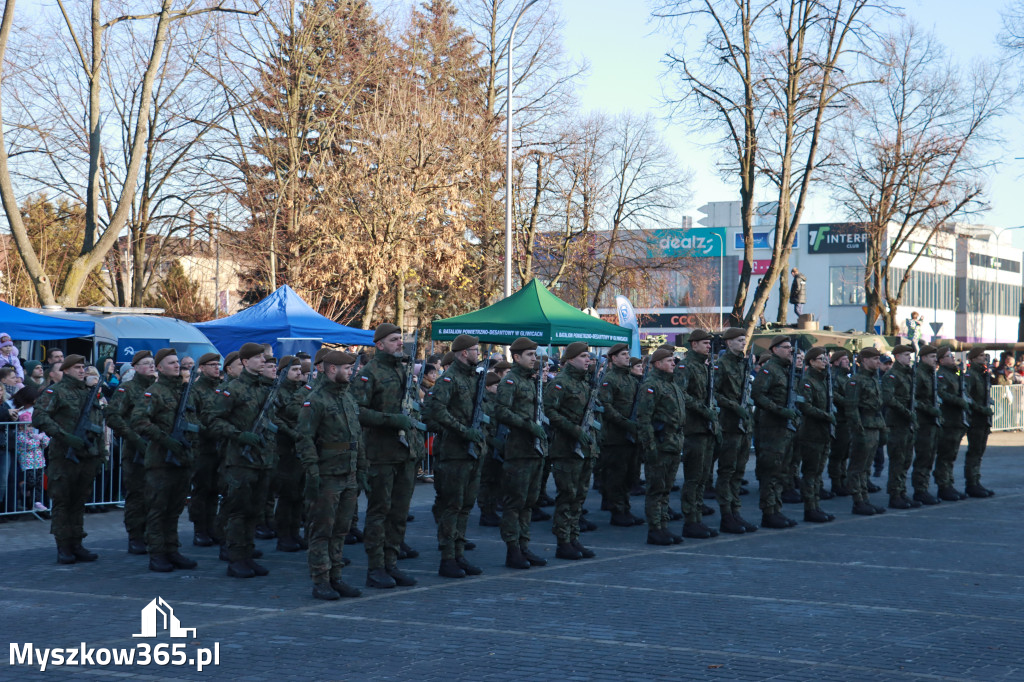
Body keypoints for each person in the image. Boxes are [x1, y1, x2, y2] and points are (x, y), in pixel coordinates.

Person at [351, 324, 424, 588]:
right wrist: (391, 420)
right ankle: (375, 568)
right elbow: (357, 410)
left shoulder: (403, 371)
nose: (399, 344)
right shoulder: (369, 374)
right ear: (379, 344)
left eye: (400, 340)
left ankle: (391, 562)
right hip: (381, 454)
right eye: (394, 340)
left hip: (405, 453)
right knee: (379, 512)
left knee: (399, 513)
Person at [297, 350, 364, 600]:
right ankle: (321, 580)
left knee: (341, 530)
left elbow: (357, 436)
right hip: (327, 475)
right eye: (347, 368)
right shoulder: (315, 400)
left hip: (348, 474)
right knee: (321, 530)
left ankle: (336, 577)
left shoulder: (346, 397)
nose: (351, 371)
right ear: (331, 369)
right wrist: (313, 471)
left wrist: (362, 468)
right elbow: (304, 439)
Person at [208, 342, 275, 579]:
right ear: (245, 362)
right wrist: (239, 435)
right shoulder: (232, 389)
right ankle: (236, 559)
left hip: (262, 459)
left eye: (263, 358)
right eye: (258, 358)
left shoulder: (265, 389)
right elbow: (214, 421)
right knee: (238, 511)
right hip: (239, 460)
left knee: (254, 511)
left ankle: (247, 555)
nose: (263, 362)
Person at [131, 348, 200, 573]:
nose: (176, 365)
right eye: (171, 363)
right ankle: (157, 554)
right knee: (158, 509)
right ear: (159, 368)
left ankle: (172, 550)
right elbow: (139, 421)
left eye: (177, 362)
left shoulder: (183, 392)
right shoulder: (155, 392)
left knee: (174, 509)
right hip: (161, 461)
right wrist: (166, 440)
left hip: (182, 460)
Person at [423, 334, 487, 577]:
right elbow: (435, 411)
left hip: (471, 453)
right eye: (474, 350)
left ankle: (459, 554)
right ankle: (448, 557)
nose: (477, 353)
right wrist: (463, 431)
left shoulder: (472, 378)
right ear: (463, 353)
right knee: (452, 506)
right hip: (453, 453)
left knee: (465, 506)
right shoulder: (449, 379)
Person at [32, 354, 104, 564]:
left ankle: (77, 543)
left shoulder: (88, 392)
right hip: (64, 455)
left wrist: (99, 453)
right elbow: (39, 416)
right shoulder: (57, 391)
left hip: (86, 455)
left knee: (78, 502)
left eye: (83, 367)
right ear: (66, 370)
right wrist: (64, 436)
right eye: (77, 367)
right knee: (63, 502)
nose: (82, 371)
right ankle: (63, 546)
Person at [493, 336, 549, 569]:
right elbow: (501, 411)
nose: (533, 359)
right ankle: (512, 549)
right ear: (516, 357)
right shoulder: (511, 382)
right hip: (518, 450)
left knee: (529, 503)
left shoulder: (531, 381)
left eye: (534, 355)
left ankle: (524, 546)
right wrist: (527, 425)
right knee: (515, 503)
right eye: (529, 355)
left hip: (534, 450)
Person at [542, 342, 598, 561]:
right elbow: (550, 412)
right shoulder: (561, 383)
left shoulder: (584, 383)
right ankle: (563, 542)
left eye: (588, 357)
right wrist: (573, 430)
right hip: (566, 448)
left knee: (579, 498)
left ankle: (574, 538)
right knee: (567, 496)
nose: (588, 360)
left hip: (584, 449)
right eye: (584, 356)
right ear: (571, 358)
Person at [105, 350, 158, 555]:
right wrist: (131, 436)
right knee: (137, 495)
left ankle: (151, 534)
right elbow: (111, 415)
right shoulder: (127, 389)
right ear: (135, 367)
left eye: (153, 363)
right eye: (146, 363)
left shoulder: (158, 388)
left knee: (154, 495)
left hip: (156, 449)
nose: (151, 366)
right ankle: (135, 536)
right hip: (135, 450)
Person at [637, 347, 685, 545]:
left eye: (673, 360)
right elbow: (644, 419)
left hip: (673, 444)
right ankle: (655, 529)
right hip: (659, 445)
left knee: (666, 490)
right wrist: (650, 447)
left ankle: (663, 526)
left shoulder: (672, 384)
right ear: (657, 364)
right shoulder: (651, 385)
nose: (673, 363)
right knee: (656, 490)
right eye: (668, 361)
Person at [712, 329, 757, 534]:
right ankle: (726, 515)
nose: (742, 343)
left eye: (744, 340)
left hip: (744, 426)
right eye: (739, 340)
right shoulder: (722, 364)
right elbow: (715, 393)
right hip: (729, 424)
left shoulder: (743, 363)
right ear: (728, 343)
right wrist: (733, 405)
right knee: (727, 472)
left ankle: (735, 511)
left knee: (738, 472)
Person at [752, 335, 800, 529]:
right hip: (772, 428)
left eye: (791, 347)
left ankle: (776, 510)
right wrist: (779, 410)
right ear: (774, 350)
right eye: (786, 347)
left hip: (785, 428)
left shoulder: (786, 371)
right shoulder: (769, 370)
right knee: (771, 472)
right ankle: (769, 512)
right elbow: (757, 395)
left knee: (781, 472)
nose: (791, 350)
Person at [678, 330, 720, 539]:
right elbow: (681, 395)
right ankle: (690, 521)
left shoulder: (705, 366)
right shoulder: (686, 367)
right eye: (705, 343)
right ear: (693, 345)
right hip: (693, 429)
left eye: (709, 343)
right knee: (693, 478)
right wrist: (703, 410)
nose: (708, 346)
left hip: (706, 428)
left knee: (703, 477)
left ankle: (697, 516)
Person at [597, 343, 644, 527]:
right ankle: (617, 511)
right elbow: (607, 408)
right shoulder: (609, 380)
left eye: (627, 354)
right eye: (623, 354)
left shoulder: (631, 380)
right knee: (616, 475)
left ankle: (625, 508)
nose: (627, 357)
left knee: (628, 475)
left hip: (630, 436)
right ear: (613, 359)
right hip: (615, 437)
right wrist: (627, 424)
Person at [845, 347, 888, 516]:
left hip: (874, 426)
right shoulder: (856, 381)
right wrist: (858, 431)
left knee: (866, 468)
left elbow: (878, 408)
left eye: (879, 358)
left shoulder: (873, 380)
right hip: (863, 427)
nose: (878, 362)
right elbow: (852, 409)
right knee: (857, 467)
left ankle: (865, 499)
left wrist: (882, 428)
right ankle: (858, 501)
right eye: (875, 358)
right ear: (864, 360)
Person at [271, 356, 307, 552]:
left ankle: (294, 533)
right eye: (294, 370)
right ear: (283, 371)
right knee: (287, 494)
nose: (299, 373)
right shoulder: (277, 392)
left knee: (298, 494)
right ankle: (284, 536)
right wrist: (291, 432)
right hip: (285, 448)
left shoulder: (301, 392)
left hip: (299, 447)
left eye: (300, 369)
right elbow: (275, 419)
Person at [796, 347, 836, 523]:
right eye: (821, 359)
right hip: (811, 432)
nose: (825, 361)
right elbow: (805, 406)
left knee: (818, 473)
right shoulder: (807, 381)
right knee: (811, 473)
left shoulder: (824, 380)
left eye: (826, 359)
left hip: (823, 432)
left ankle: (816, 506)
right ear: (811, 362)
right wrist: (826, 416)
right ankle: (810, 508)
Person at [188, 352, 223, 548]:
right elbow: (193, 419)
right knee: (201, 490)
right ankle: (200, 529)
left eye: (218, 365)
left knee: (214, 490)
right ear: (202, 368)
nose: (216, 368)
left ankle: (212, 527)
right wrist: (212, 431)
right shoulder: (195, 390)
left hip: (218, 447)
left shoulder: (219, 389)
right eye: (212, 365)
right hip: (202, 447)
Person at [882, 345, 917, 509]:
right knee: (897, 460)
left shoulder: (908, 375)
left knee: (906, 460)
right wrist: (905, 411)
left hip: (907, 423)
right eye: (905, 354)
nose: (909, 357)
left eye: (909, 354)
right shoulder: (892, 376)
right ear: (897, 356)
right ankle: (894, 495)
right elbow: (888, 398)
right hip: (896, 423)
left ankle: (902, 492)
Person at [934, 348, 969, 502]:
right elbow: (941, 393)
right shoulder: (941, 375)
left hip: (957, 420)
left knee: (952, 455)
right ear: (941, 360)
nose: (953, 358)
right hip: (948, 420)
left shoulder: (954, 373)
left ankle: (949, 483)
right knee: (945, 455)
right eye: (949, 356)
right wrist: (958, 401)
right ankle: (943, 486)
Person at [911, 345, 942, 505]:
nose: (935, 359)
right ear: (923, 358)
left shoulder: (931, 374)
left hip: (931, 422)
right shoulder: (919, 374)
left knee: (930, 456)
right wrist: (929, 409)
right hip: (922, 422)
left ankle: (924, 487)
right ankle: (920, 490)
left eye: (935, 356)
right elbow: (913, 399)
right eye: (931, 357)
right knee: (923, 457)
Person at [964, 348, 995, 497]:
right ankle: (971, 483)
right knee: (974, 452)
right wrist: (980, 409)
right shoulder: (971, 375)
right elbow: (967, 396)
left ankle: (976, 481)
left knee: (979, 453)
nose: (984, 358)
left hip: (983, 420)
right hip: (975, 419)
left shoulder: (983, 374)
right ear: (973, 358)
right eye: (981, 355)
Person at [14, 385, 49, 512]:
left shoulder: (35, 433)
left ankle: (37, 501)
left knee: (39, 482)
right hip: (27, 463)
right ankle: (26, 496)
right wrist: (38, 440)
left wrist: (41, 439)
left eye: (30, 425)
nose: (29, 427)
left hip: (39, 461)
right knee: (31, 481)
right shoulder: (21, 435)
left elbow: (46, 442)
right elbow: (27, 445)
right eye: (27, 425)